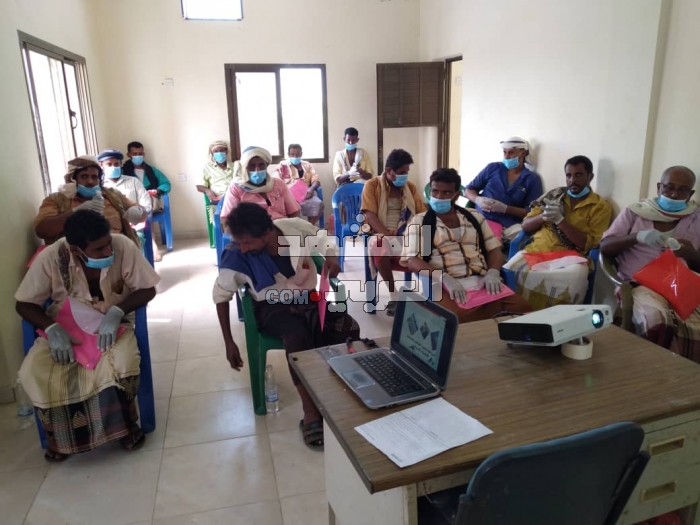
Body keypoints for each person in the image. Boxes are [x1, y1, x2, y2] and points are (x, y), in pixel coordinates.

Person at [213, 203, 360, 449]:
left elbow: (324, 240)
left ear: (266, 233)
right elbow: (221, 296)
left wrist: (332, 258)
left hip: (309, 300)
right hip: (271, 307)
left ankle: (336, 393)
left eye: (247, 242)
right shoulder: (236, 254)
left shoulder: (295, 229)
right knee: (296, 335)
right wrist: (229, 342)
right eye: (239, 241)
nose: (243, 247)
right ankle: (310, 411)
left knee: (347, 327)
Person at [16, 210, 159, 462]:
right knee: (35, 370)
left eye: (108, 243)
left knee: (122, 362)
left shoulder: (122, 246)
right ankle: (62, 438)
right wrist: (51, 329)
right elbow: (24, 303)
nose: (108, 252)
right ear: (75, 250)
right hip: (65, 327)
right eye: (99, 249)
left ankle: (124, 427)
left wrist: (117, 311)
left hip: (113, 323)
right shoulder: (51, 257)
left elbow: (147, 288)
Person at [401, 168, 533, 323]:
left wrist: (493, 272)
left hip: (482, 280)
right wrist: (444, 278)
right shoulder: (421, 223)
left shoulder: (473, 217)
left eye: (446, 193)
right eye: (435, 191)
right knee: (456, 322)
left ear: (456, 195)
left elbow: (494, 249)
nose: (439, 197)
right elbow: (413, 261)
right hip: (446, 284)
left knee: (525, 310)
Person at [600, 166, 700, 363]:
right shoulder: (636, 212)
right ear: (658, 187)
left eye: (682, 190)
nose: (674, 194)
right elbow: (605, 247)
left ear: (691, 194)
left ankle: (687, 373)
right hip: (639, 284)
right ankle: (656, 368)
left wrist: (692, 254)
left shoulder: (696, 218)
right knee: (657, 320)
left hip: (681, 284)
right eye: (669, 187)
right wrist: (637, 237)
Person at [503, 155, 613, 309]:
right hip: (537, 251)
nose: (572, 180)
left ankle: (559, 320)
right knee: (509, 270)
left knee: (574, 279)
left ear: (590, 177)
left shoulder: (600, 207)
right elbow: (526, 226)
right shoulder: (554, 196)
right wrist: (543, 216)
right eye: (569, 175)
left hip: (571, 258)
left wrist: (560, 221)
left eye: (578, 175)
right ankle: (518, 315)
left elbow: (589, 244)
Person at [361, 149, 426, 315]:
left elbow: (421, 213)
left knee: (430, 247)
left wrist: (411, 231)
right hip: (380, 231)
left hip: (407, 232)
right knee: (378, 245)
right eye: (401, 172)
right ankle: (394, 296)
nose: (405, 176)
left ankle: (428, 297)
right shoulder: (372, 185)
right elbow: (370, 215)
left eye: (407, 172)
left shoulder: (410, 187)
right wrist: (388, 235)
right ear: (389, 171)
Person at [34, 155, 144, 247]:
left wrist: (137, 210)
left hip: (119, 251)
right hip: (77, 258)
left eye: (94, 177)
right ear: (73, 179)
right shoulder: (57, 200)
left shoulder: (112, 195)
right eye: (84, 176)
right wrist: (75, 213)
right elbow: (42, 230)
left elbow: (142, 213)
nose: (90, 181)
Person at [465, 137, 543, 242]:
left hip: (509, 225)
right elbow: (469, 190)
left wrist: (506, 209)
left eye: (511, 153)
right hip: (482, 217)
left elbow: (533, 212)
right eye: (504, 152)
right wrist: (478, 200)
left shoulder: (532, 179)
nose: (506, 156)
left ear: (523, 153)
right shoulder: (492, 168)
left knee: (524, 236)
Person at [220, 146, 300, 225]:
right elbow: (227, 221)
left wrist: (293, 229)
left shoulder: (279, 184)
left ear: (267, 165)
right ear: (245, 167)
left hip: (282, 228)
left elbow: (294, 212)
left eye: (261, 165)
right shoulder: (236, 188)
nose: (257, 170)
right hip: (252, 231)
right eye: (252, 166)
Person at [123, 141, 172, 261]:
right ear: (128, 155)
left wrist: (157, 190)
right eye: (134, 154)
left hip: (150, 202)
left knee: (146, 206)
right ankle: (139, 245)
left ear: (144, 154)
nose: (138, 156)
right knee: (135, 206)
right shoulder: (123, 171)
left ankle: (152, 244)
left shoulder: (152, 170)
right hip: (131, 203)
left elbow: (166, 184)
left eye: (140, 154)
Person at [274, 143, 324, 224]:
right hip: (289, 196)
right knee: (292, 210)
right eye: (292, 154)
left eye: (297, 154)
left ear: (301, 154)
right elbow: (276, 181)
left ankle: (308, 227)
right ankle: (298, 228)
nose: (295, 157)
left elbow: (316, 180)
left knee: (319, 204)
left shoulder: (307, 165)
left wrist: (311, 189)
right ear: (288, 154)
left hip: (306, 195)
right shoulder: (282, 165)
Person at [198, 141, 235, 232]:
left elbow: (242, 182)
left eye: (222, 150)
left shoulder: (234, 166)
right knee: (221, 220)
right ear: (212, 153)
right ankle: (224, 235)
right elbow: (199, 186)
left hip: (234, 197)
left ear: (226, 151)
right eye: (216, 151)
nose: (219, 153)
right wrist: (207, 190)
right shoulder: (207, 167)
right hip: (218, 201)